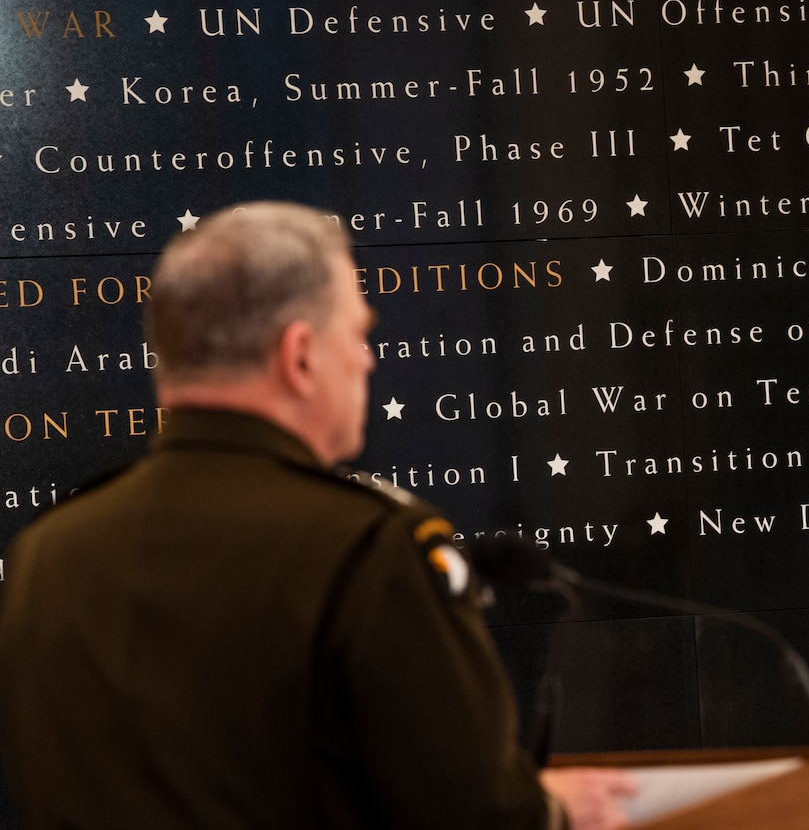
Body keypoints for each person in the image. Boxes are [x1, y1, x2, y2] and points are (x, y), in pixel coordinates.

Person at [0, 201, 635, 829]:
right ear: (299, 354)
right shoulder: (371, 548)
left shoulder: (44, 555)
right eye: (358, 333)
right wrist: (551, 811)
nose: (369, 360)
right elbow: (472, 814)